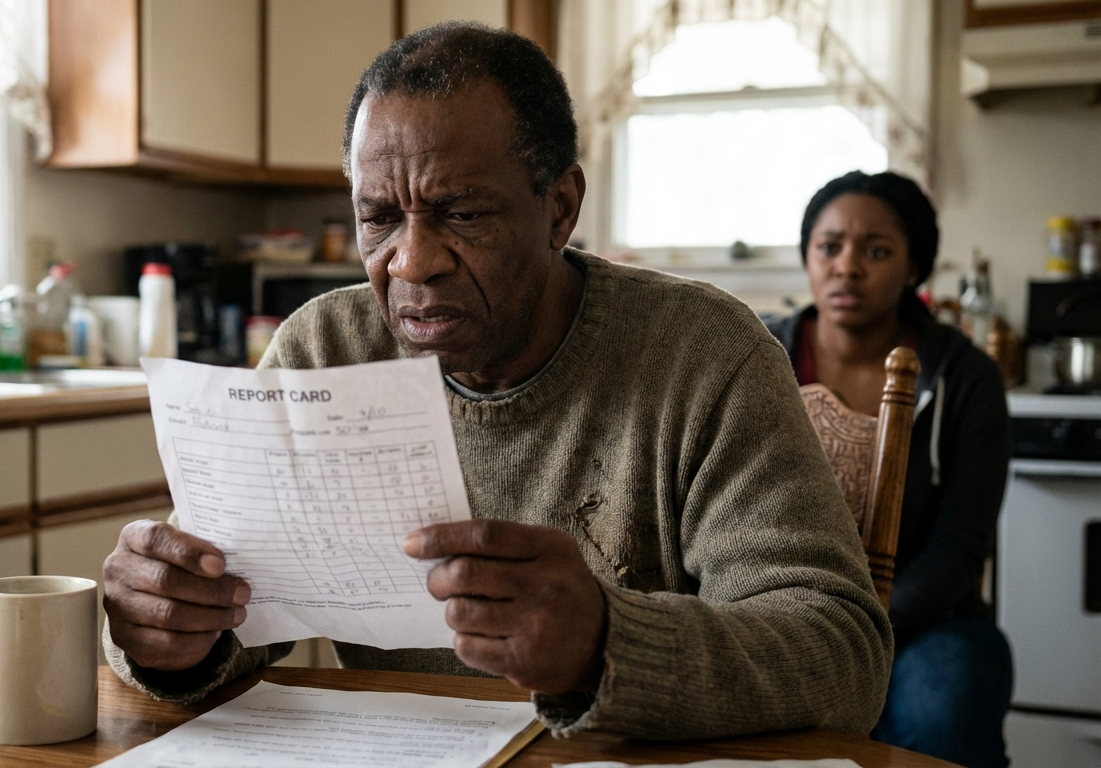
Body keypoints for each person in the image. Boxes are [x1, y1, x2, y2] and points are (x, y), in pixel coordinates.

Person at [101, 22, 893, 740]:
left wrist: (604, 643)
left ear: (559, 207)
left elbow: (841, 656)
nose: (411, 262)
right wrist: (167, 630)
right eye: (378, 218)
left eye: (462, 213)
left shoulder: (702, 353)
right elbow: (226, 626)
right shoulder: (325, 350)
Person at [764, 171, 1013, 767]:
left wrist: (859, 631)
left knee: (941, 710)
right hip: (775, 615)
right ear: (807, 258)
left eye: (876, 251)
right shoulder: (759, 357)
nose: (847, 266)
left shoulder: (965, 377)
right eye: (829, 246)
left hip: (928, 621)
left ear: (914, 268)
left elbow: (959, 549)